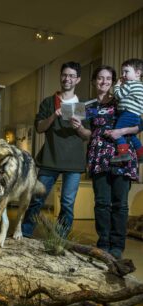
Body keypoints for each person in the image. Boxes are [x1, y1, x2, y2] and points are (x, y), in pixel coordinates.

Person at [71, 65, 140, 259]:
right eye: (100, 78)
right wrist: (77, 128)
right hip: (98, 156)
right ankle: (103, 242)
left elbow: (138, 125)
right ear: (93, 81)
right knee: (102, 203)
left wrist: (121, 132)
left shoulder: (121, 100)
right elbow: (87, 135)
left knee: (120, 204)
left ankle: (117, 245)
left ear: (113, 81)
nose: (104, 82)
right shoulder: (85, 105)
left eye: (108, 78)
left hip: (122, 156)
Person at [21, 61, 89, 238]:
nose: (68, 79)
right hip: (50, 159)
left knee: (67, 203)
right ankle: (25, 232)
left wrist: (79, 127)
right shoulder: (49, 103)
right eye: (65, 75)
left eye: (72, 76)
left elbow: (87, 135)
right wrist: (54, 115)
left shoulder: (81, 106)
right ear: (61, 76)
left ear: (78, 79)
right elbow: (40, 128)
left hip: (73, 162)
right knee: (37, 198)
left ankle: (60, 238)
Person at [110, 58, 143, 163]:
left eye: (126, 71)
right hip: (136, 116)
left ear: (138, 73)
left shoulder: (130, 84)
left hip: (127, 114)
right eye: (122, 72)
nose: (123, 74)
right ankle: (141, 153)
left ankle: (123, 154)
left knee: (117, 132)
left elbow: (119, 95)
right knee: (131, 135)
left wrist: (117, 86)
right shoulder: (140, 86)